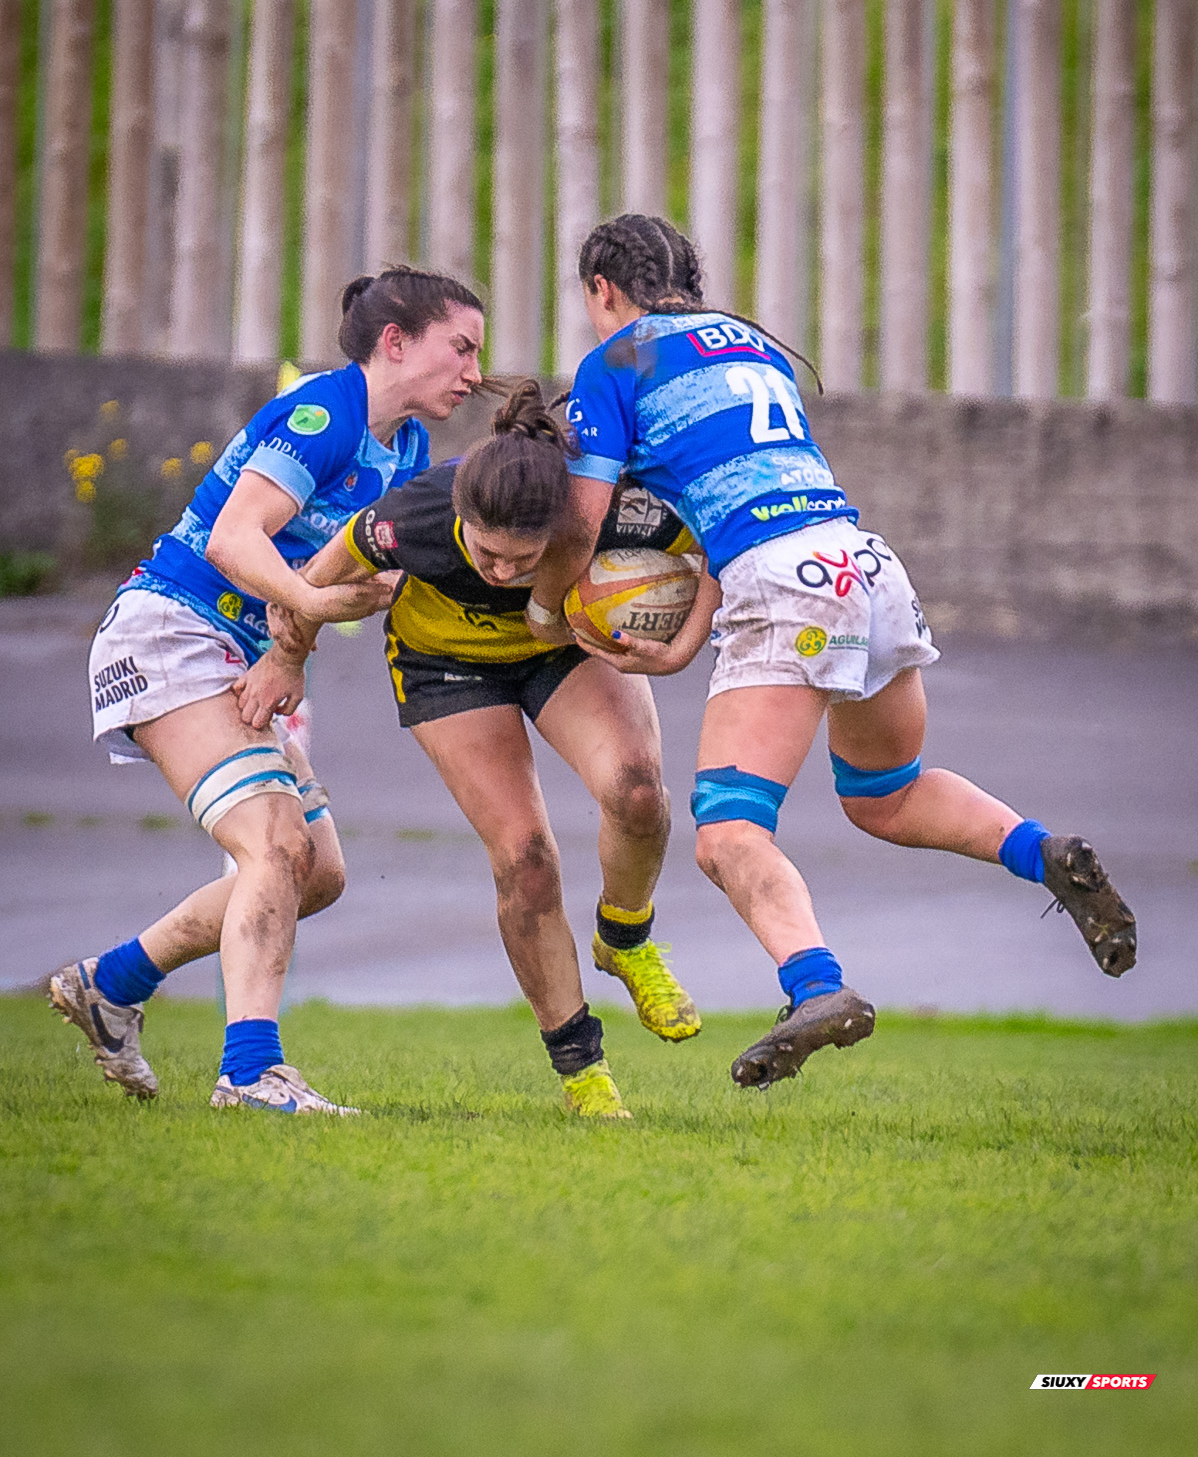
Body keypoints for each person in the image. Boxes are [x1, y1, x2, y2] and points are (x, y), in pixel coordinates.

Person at [526, 214, 1138, 1091]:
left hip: (781, 585)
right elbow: (738, 500)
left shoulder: (617, 360)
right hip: (862, 564)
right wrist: (692, 634)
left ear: (600, 289)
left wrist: (547, 611)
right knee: (887, 794)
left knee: (729, 829)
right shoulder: (753, 348)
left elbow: (584, 518)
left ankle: (815, 985)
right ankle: (1041, 852)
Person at [50, 267, 485, 1115]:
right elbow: (231, 538)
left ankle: (111, 985)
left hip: (243, 651)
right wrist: (315, 605)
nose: (473, 371)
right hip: (172, 630)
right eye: (460, 348)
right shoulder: (321, 415)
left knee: (315, 872)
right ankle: (250, 1075)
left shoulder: (406, 447)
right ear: (395, 342)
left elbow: (358, 572)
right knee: (274, 845)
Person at [238, 381, 712, 1121]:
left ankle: (625, 935)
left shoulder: (610, 507)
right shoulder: (411, 515)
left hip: (559, 646)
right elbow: (309, 586)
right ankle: (585, 1077)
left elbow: (717, 553)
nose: (500, 571)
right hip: (445, 663)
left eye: (523, 561)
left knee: (638, 789)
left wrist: (685, 639)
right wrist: (287, 660)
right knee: (525, 859)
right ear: (461, 516)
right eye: (488, 554)